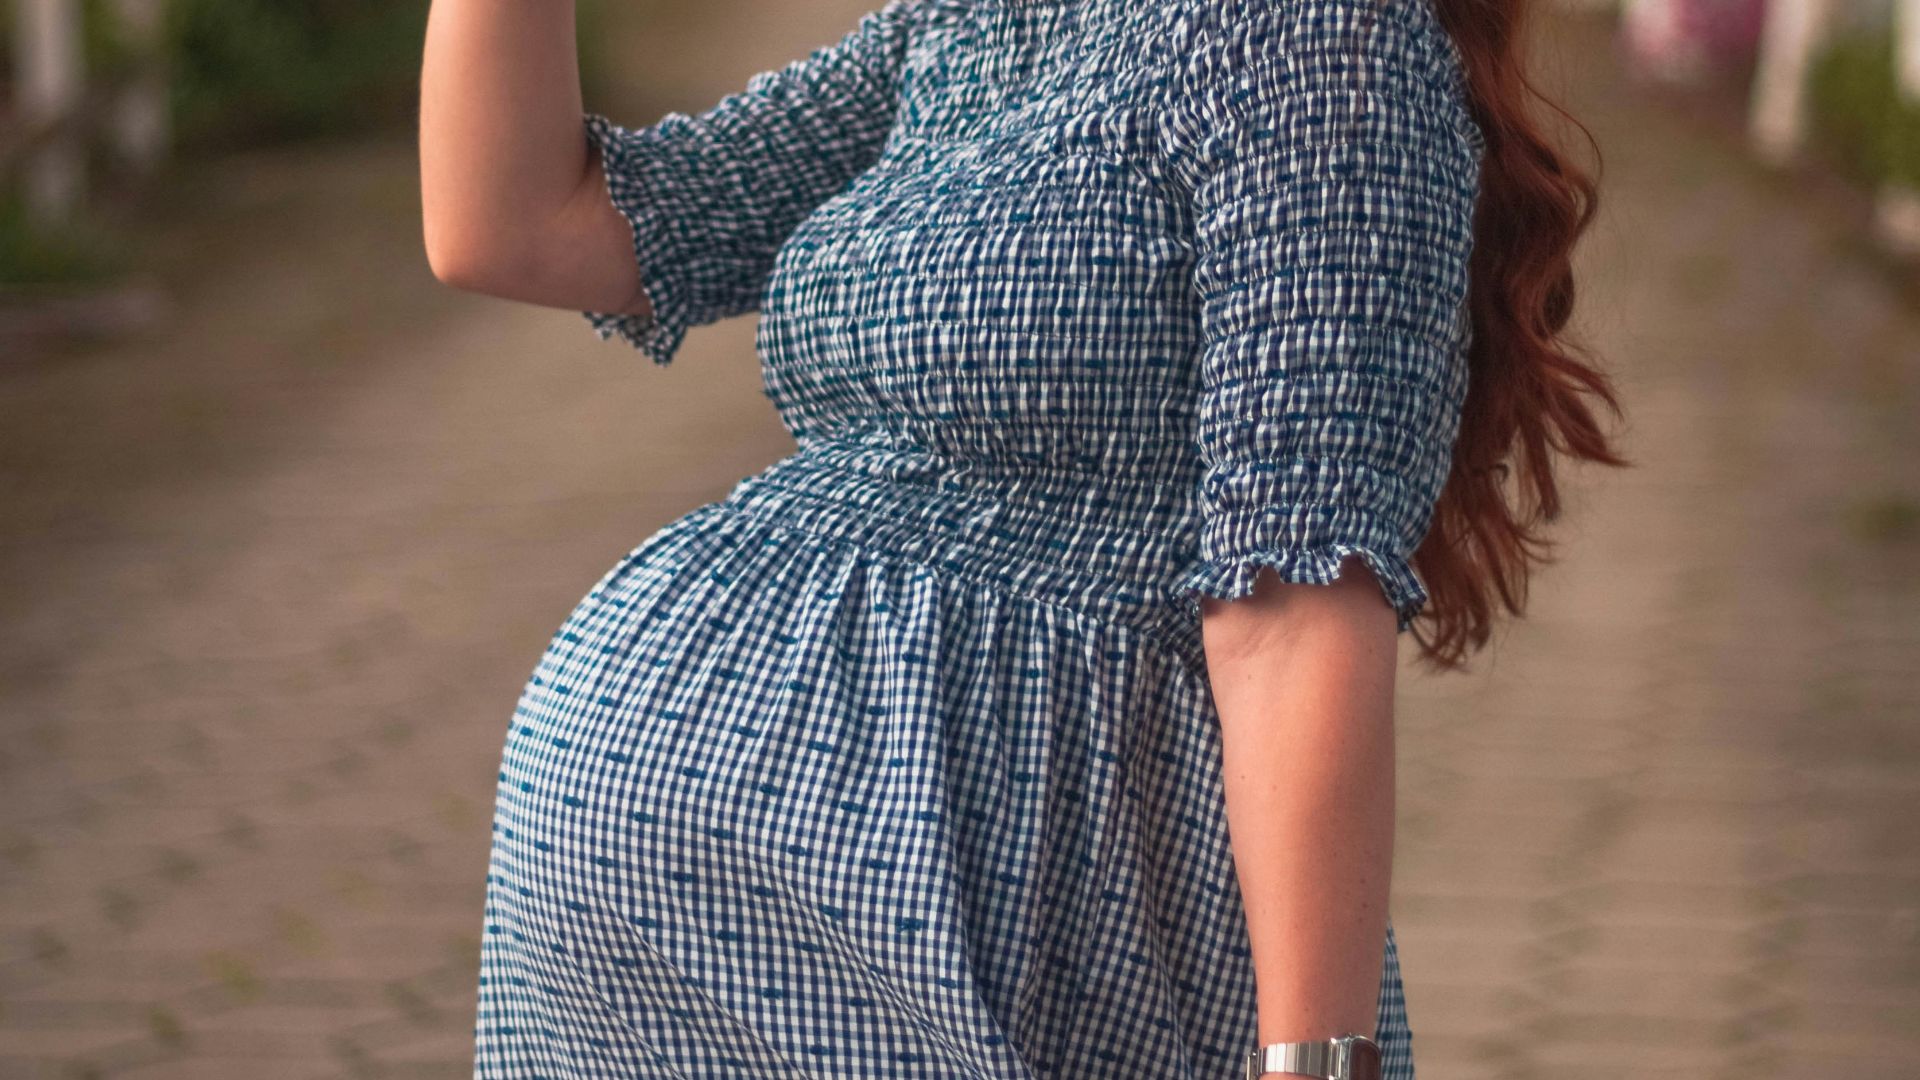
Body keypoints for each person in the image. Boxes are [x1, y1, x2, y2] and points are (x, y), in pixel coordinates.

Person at [419, 0, 1625, 1076]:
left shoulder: (1315, 46)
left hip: (998, 934)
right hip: (627, 971)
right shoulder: (965, 31)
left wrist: (1317, 1063)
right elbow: (521, 224)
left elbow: (1298, 610)